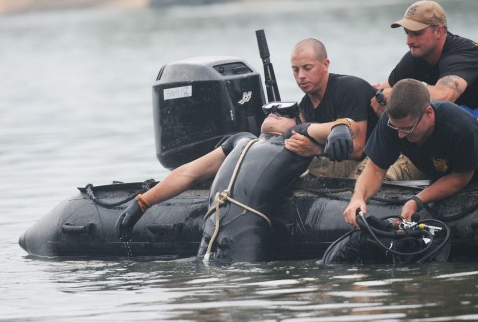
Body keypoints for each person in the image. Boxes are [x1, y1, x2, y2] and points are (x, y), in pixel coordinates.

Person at [117, 101, 356, 264]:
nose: (274, 112)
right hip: (209, 241)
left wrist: (340, 129)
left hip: (245, 244)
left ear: (299, 122)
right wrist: (142, 202)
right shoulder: (240, 141)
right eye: (270, 110)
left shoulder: (295, 139)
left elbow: (339, 125)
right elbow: (189, 172)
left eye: (284, 112)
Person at [344, 79, 478, 228]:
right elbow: (375, 169)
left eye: (407, 128)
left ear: (429, 113)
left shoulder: (461, 126)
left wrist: (417, 200)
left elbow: (460, 178)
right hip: (432, 164)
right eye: (396, 128)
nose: (400, 134)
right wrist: (358, 198)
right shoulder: (392, 123)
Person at [372, 0, 478, 119]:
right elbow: (382, 91)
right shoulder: (417, 54)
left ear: (439, 31)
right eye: (407, 33)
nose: (409, 41)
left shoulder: (461, 55)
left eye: (417, 33)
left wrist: (395, 94)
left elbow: (445, 95)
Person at [287, 37, 424, 180]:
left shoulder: (349, 89)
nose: (301, 76)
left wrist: (315, 150)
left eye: (307, 68)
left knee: (357, 180)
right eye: (295, 70)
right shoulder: (305, 105)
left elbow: (358, 149)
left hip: (396, 153)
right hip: (355, 159)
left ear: (325, 64)